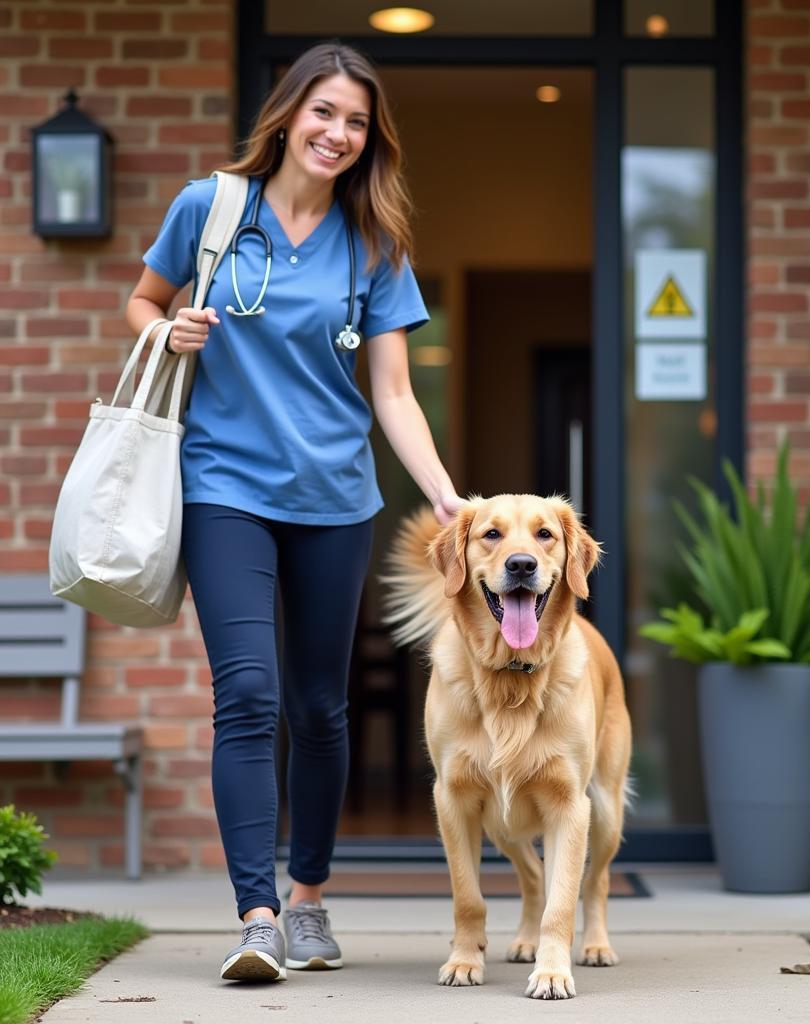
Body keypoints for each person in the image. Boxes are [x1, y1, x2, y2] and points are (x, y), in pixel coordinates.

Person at [126, 41, 464, 982]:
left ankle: (309, 898)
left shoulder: (375, 244)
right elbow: (142, 300)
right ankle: (258, 914)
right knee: (248, 696)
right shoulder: (211, 208)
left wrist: (441, 491)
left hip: (335, 501)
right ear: (288, 115)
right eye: (326, 114)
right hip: (223, 486)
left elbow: (392, 392)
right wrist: (170, 326)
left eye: (357, 122)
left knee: (319, 708)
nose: (339, 134)